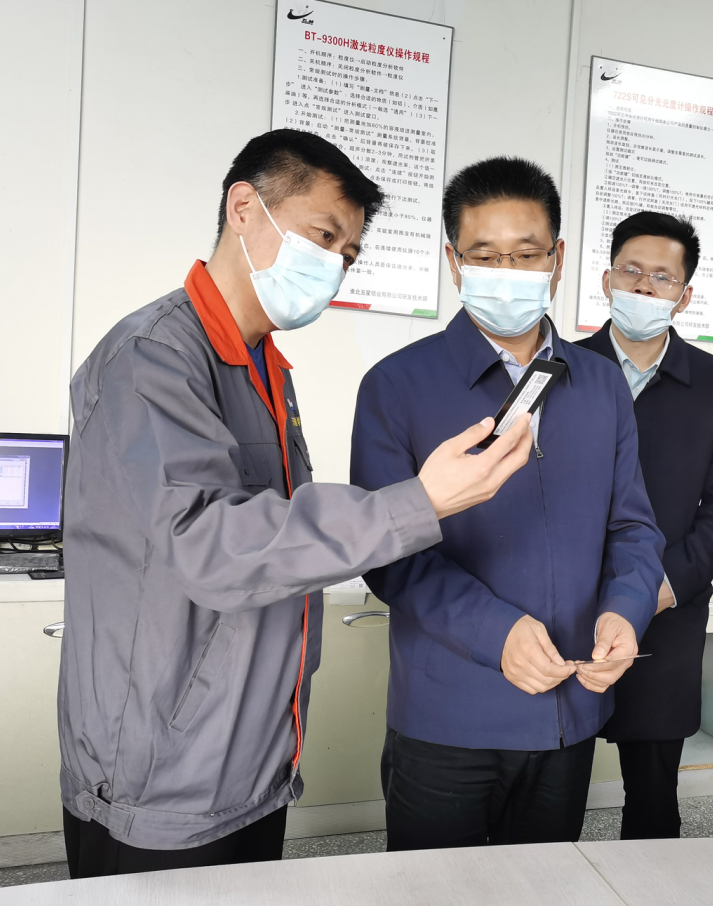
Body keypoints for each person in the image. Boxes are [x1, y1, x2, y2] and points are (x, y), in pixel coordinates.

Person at [58, 130, 535, 878]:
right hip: (164, 770)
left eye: (348, 253)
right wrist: (421, 501)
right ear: (244, 208)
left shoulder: (266, 370)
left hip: (252, 756)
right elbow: (209, 545)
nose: (335, 266)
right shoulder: (152, 358)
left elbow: (276, 555)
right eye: (323, 236)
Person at [350, 157, 664, 850]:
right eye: (486, 255)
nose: (508, 270)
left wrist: (626, 609)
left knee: (547, 887)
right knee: (436, 893)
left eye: (526, 254)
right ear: (454, 262)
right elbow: (389, 553)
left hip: (570, 705)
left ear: (557, 258)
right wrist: (497, 633)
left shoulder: (601, 384)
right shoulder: (396, 385)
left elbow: (634, 527)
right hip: (449, 715)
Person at [576, 211, 713, 840]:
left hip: (666, 608)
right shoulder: (561, 368)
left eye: (662, 277)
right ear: (607, 279)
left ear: (685, 294)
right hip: (565, 604)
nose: (645, 286)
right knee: (553, 778)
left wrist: (664, 586)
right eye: (632, 270)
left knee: (652, 794)